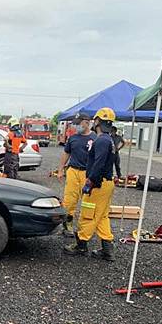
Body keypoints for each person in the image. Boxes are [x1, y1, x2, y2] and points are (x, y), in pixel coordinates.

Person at [63, 107, 117, 262]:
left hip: (98, 184)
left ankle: (81, 244)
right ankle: (107, 249)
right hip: (107, 183)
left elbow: (99, 163)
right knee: (102, 216)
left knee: (88, 213)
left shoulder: (100, 140)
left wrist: (91, 180)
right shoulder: (109, 140)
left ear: (97, 121)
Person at [56, 112, 97, 236]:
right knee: (69, 200)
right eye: (76, 124)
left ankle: (85, 228)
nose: (77, 126)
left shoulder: (95, 138)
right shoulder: (73, 138)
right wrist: (60, 169)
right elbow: (66, 153)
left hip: (87, 173)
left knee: (87, 201)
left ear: (87, 122)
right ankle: (67, 225)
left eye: (79, 123)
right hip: (73, 171)